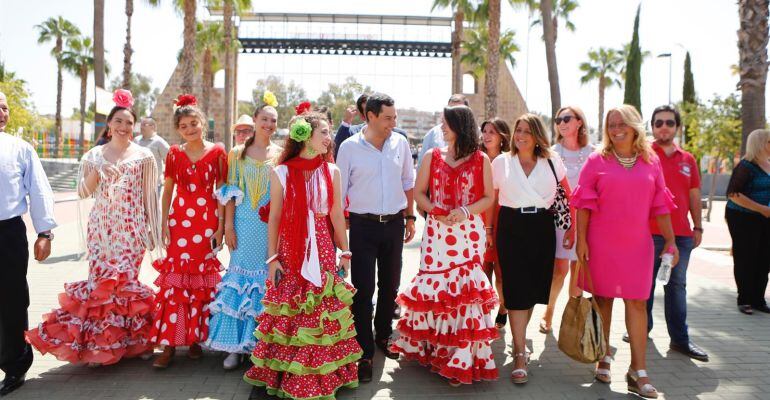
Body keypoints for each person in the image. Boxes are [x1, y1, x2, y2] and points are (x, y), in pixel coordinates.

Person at [27, 89, 160, 367]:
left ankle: (135, 342)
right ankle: (103, 344)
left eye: (128, 122)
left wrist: (151, 230)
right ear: (109, 125)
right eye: (118, 121)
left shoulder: (144, 156)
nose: (123, 127)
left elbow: (150, 195)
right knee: (101, 286)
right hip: (102, 231)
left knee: (125, 284)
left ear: (134, 126)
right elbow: (83, 192)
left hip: (132, 229)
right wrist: (97, 172)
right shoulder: (94, 155)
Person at [243, 113, 361, 400]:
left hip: (322, 247)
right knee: (293, 307)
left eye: (329, 131)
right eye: (322, 131)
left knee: (320, 310)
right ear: (304, 135)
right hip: (290, 250)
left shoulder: (331, 170)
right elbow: (275, 217)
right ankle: (289, 374)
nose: (328, 137)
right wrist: (272, 259)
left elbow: (335, 214)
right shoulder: (280, 171)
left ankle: (320, 375)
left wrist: (344, 252)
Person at [573, 105, 678, 399]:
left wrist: (670, 241)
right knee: (603, 300)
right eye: (611, 124)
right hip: (601, 242)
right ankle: (603, 357)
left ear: (634, 125)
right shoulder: (596, 160)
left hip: (637, 244)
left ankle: (638, 371)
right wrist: (582, 241)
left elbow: (661, 204)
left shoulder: (651, 161)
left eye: (621, 123)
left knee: (637, 304)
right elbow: (583, 204)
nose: (616, 128)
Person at [391, 105, 498, 386]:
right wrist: (434, 210)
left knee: (464, 293)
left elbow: (488, 197)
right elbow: (419, 195)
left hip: (468, 233)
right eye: (441, 121)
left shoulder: (481, 159)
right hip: (437, 234)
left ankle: (460, 357)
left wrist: (465, 211)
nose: (442, 126)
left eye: (446, 122)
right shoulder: (431, 156)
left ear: (460, 125)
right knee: (437, 288)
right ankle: (435, 351)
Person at [336, 93, 416, 383]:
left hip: (394, 224)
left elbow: (408, 181)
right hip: (362, 227)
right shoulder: (348, 148)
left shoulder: (401, 143)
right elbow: (338, 191)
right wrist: (339, 232)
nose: (392, 123)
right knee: (363, 289)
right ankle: (364, 351)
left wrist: (410, 217)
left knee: (391, 284)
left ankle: (383, 335)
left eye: (394, 117)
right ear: (369, 116)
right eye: (387, 118)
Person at [618, 105, 709, 361]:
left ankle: (680, 340)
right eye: (658, 123)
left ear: (677, 127)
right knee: (643, 286)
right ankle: (640, 331)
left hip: (680, 235)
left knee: (677, 287)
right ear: (652, 127)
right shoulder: (643, 155)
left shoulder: (688, 159)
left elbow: (694, 194)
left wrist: (697, 226)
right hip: (647, 233)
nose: (664, 127)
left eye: (669, 122)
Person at [492, 113, 573, 385]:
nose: (521, 136)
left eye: (527, 131)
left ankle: (520, 339)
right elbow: (493, 202)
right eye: (518, 130)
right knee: (515, 289)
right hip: (510, 226)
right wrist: (490, 233)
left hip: (541, 226)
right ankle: (518, 352)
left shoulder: (552, 161)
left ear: (538, 135)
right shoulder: (501, 162)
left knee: (532, 290)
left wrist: (572, 229)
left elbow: (568, 197)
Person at [149, 94, 227, 368]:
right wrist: (162, 224)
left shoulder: (218, 151)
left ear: (202, 122)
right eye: (184, 126)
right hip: (180, 223)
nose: (190, 129)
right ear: (178, 129)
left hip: (206, 224)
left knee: (200, 282)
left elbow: (224, 191)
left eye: (194, 123)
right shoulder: (173, 153)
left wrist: (221, 228)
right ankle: (169, 345)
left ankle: (194, 340)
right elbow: (168, 189)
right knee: (176, 282)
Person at [204, 104, 281, 369]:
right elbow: (229, 192)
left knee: (267, 281)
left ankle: (262, 346)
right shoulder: (237, 154)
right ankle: (235, 346)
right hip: (243, 226)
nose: (268, 124)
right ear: (256, 121)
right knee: (240, 278)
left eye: (273, 120)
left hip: (271, 227)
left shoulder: (281, 155)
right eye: (264, 119)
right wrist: (227, 228)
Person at [0, 91, 56, 396]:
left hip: (7, 233)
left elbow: (39, 189)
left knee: (11, 301)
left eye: (5, 107)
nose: (2, 112)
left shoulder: (20, 149)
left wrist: (44, 233)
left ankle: (15, 367)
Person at [539, 106, 593, 334]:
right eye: (558, 119)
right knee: (559, 270)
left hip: (587, 218)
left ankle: (573, 318)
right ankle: (549, 311)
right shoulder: (551, 152)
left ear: (579, 122)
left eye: (566, 118)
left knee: (579, 269)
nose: (561, 122)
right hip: (560, 218)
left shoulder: (593, 152)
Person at [725, 129, 770, 315]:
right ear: (760, 144)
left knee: (764, 258)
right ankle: (744, 299)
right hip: (743, 217)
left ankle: (759, 299)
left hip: (765, 217)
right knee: (746, 257)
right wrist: (761, 208)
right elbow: (733, 194)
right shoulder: (746, 166)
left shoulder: (768, 164)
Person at [479, 118, 511, 330]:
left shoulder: (510, 160)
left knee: (501, 273)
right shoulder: (475, 158)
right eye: (485, 131)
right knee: (482, 271)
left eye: (493, 131)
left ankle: (503, 308)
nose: (487, 135)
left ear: (502, 136)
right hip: (478, 220)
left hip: (503, 220)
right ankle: (483, 314)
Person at [334, 93, 408, 156]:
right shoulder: (352, 133)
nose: (374, 112)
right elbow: (337, 151)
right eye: (368, 110)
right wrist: (346, 121)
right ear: (363, 116)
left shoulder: (400, 138)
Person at [417, 94, 469, 166]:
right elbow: (421, 167)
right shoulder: (431, 135)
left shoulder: (479, 135)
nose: (453, 115)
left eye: (458, 112)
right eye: (450, 111)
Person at [135, 116, 170, 194]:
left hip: (154, 185)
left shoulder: (160, 142)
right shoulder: (136, 140)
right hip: (137, 183)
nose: (141, 127)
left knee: (152, 206)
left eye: (144, 124)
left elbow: (170, 160)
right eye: (141, 124)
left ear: (152, 127)